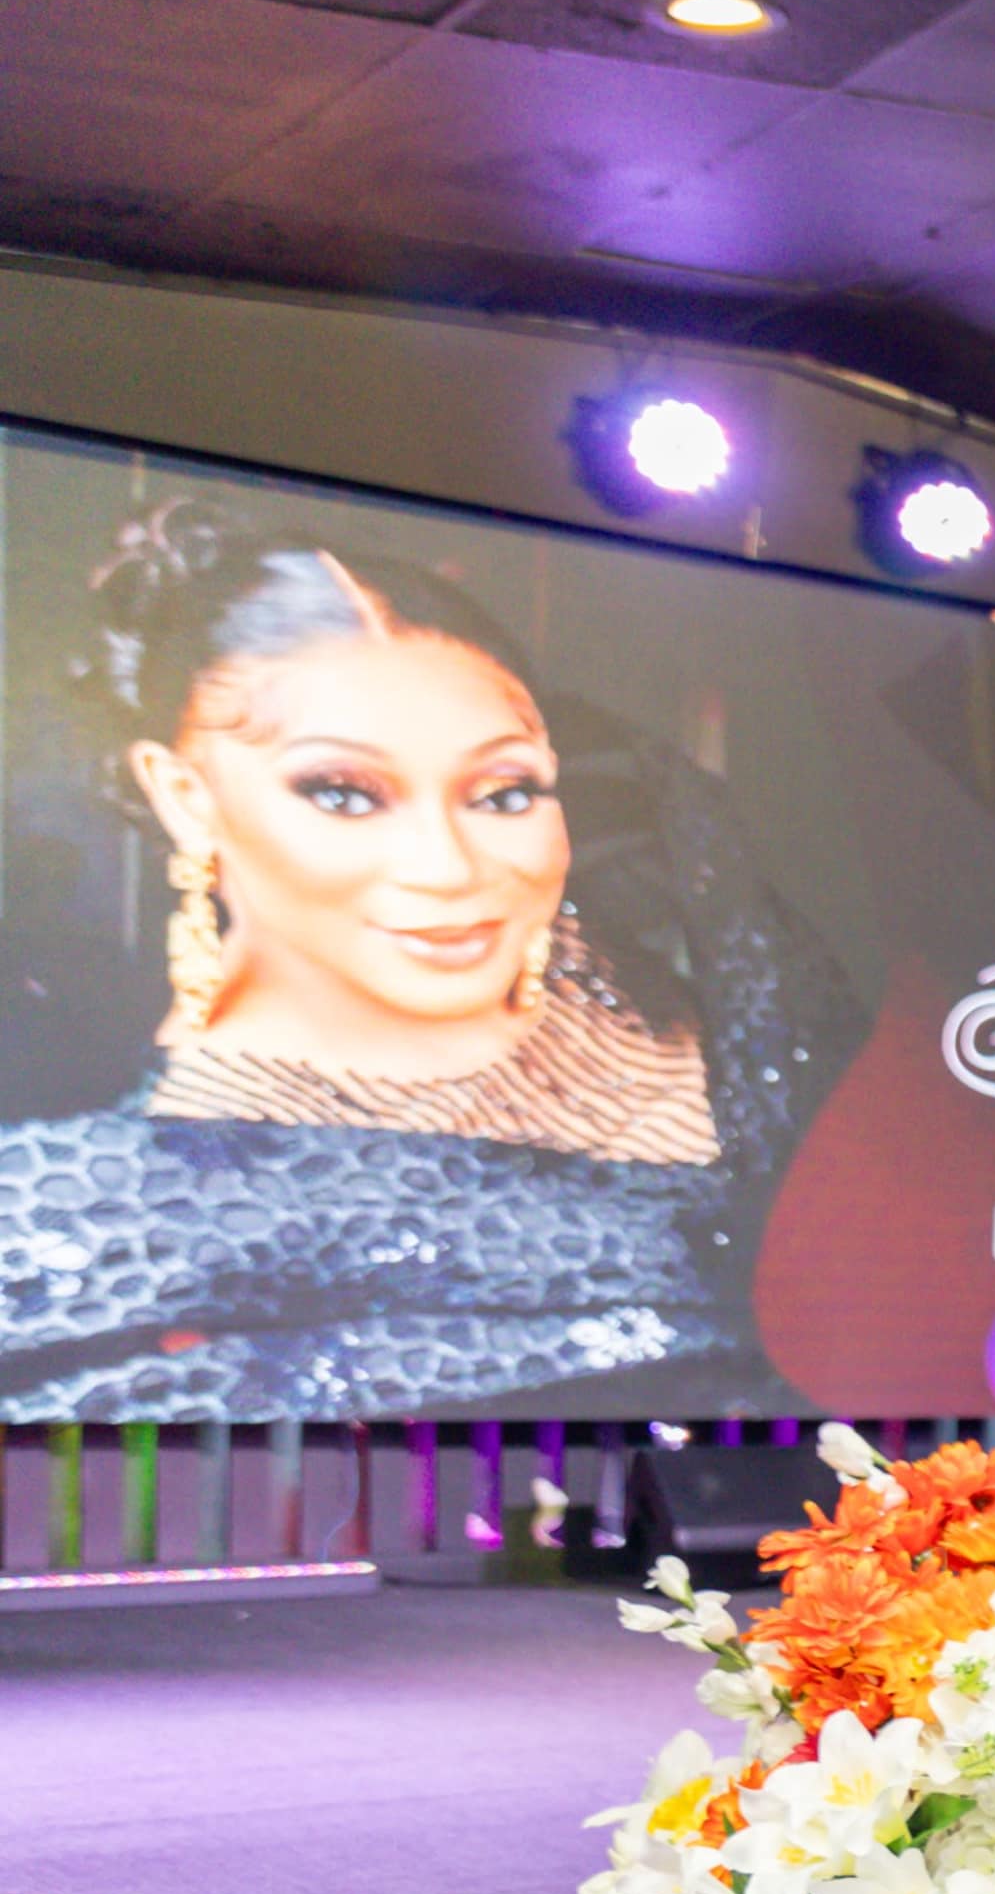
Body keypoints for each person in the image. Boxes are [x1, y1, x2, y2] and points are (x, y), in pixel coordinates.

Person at [0, 497, 854, 1419]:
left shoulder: (712, 991)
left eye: (504, 791)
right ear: (181, 793)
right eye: (344, 794)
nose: (449, 869)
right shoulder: (110, 1218)